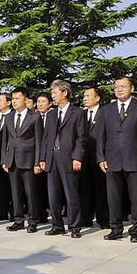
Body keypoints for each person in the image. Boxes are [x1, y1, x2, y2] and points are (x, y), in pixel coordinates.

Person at [96, 76, 137, 242]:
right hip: (111, 159)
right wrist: (101, 157)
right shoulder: (106, 110)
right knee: (113, 197)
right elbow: (101, 136)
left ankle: (136, 231)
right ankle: (116, 229)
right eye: (116, 87)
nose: (119, 89)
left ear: (132, 88)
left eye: (123, 86)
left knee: (136, 197)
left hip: (134, 159)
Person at [40, 80, 86, 238]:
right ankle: (57, 225)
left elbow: (81, 138)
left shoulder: (78, 113)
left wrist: (77, 157)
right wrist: (43, 157)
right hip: (52, 157)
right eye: (52, 93)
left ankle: (74, 227)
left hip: (69, 157)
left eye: (55, 93)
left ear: (65, 93)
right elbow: (46, 138)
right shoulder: (51, 114)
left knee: (71, 194)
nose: (53, 96)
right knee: (53, 195)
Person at [1, 87, 43, 232]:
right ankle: (18, 220)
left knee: (30, 193)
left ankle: (33, 221)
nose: (14, 101)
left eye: (17, 98)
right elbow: (5, 141)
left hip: (29, 160)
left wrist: (37, 162)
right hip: (12, 160)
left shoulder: (35, 116)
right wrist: (4, 160)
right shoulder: (8, 117)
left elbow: (39, 141)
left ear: (26, 100)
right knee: (15, 192)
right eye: (12, 99)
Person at [80, 87, 109, 229]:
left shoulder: (105, 112)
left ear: (97, 98)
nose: (84, 98)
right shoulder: (81, 114)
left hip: (100, 156)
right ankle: (86, 218)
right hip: (84, 157)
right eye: (84, 96)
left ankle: (104, 218)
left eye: (88, 96)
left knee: (101, 189)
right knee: (85, 189)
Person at [0, 93, 14, 222]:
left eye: (0, 100)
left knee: (12, 186)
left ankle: (14, 212)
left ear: (9, 102)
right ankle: (2, 211)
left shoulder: (13, 116)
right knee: (0, 186)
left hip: (10, 156)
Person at [34, 92, 52, 226]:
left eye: (43, 102)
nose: (40, 104)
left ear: (50, 103)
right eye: (38, 102)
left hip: (51, 157)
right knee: (37, 188)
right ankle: (41, 214)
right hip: (36, 158)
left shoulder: (54, 116)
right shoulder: (34, 117)